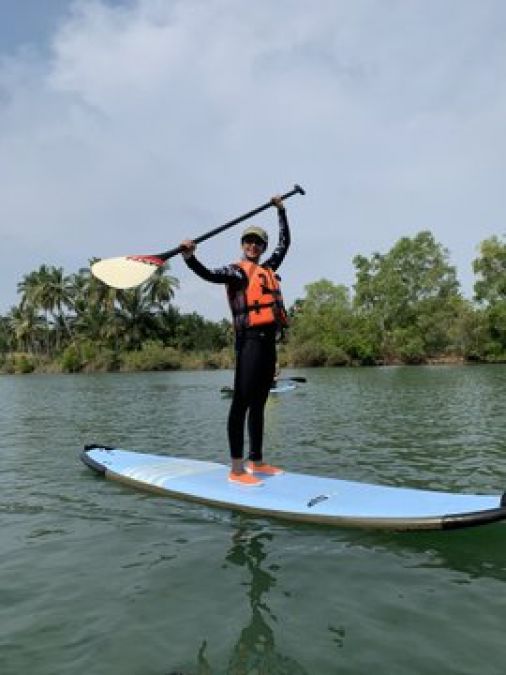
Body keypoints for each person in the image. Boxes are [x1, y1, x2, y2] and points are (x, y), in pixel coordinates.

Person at [180, 195, 290, 487]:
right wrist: (190, 258)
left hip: (268, 343)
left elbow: (284, 244)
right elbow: (208, 274)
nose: (253, 245)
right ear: (242, 246)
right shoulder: (236, 271)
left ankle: (257, 461)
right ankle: (237, 468)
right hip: (249, 342)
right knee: (241, 401)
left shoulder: (268, 269)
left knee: (260, 401)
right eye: (248, 241)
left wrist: (281, 211)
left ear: (262, 247)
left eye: (257, 242)